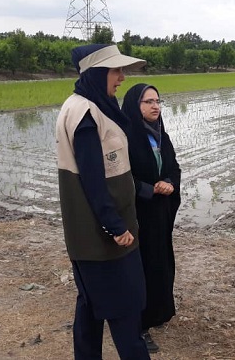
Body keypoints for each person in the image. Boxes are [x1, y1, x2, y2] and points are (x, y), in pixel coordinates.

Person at [55, 44, 151, 360]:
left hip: (98, 233)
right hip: (103, 237)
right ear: (97, 73)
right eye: (116, 70)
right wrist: (115, 226)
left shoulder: (96, 105)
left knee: (91, 304)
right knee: (125, 308)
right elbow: (93, 180)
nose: (122, 77)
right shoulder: (85, 113)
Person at [121, 83, 181, 353]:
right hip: (136, 213)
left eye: (157, 101)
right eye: (148, 102)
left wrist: (169, 181)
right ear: (135, 105)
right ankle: (138, 325)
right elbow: (119, 178)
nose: (155, 106)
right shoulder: (124, 138)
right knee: (139, 268)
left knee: (159, 262)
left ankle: (157, 311)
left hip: (159, 213)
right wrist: (148, 189)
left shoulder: (162, 136)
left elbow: (174, 167)